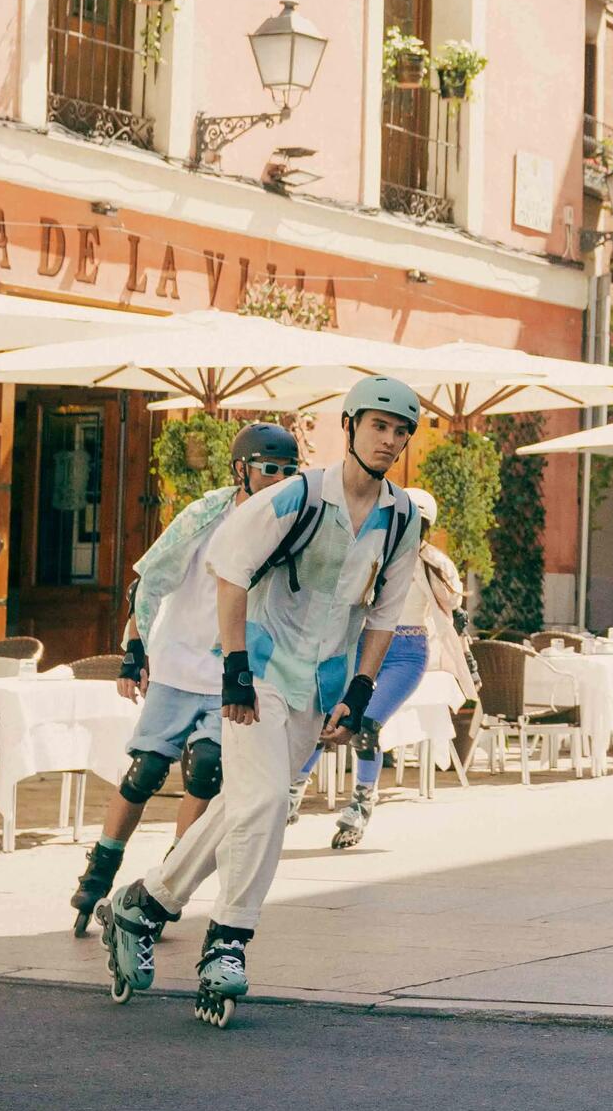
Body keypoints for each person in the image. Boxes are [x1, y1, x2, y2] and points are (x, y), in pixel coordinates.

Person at [97, 376, 423, 1026]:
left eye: (401, 431)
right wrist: (236, 670)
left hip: (316, 686)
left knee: (244, 807)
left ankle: (142, 903)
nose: (390, 439)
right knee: (269, 802)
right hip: (258, 673)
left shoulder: (403, 517)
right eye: (379, 425)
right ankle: (228, 944)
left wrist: (359, 692)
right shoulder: (299, 495)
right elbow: (229, 564)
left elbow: (385, 612)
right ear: (351, 425)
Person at [70, 422, 302, 938]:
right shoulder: (206, 513)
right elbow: (154, 576)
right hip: (178, 660)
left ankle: (164, 883)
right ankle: (99, 871)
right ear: (241, 470)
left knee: (207, 771)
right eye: (270, 469)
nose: (281, 479)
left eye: (290, 472)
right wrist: (135, 645)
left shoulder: (294, 524)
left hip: (236, 673)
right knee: (146, 770)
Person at [290, 486, 472, 848]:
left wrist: (428, 562)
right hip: (364, 646)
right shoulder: (373, 550)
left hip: (407, 652)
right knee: (330, 716)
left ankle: (360, 805)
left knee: (367, 725)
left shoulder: (432, 561)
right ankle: (293, 790)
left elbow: (452, 598)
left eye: (415, 523)